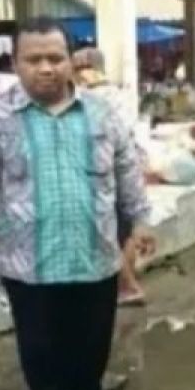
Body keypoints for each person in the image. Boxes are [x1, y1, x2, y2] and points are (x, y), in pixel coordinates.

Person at [0, 18, 156, 390]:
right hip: (28, 256)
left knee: (94, 330)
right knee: (41, 337)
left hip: (94, 248)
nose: (45, 68)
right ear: (16, 62)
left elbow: (127, 171)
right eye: (34, 59)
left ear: (71, 61)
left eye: (55, 58)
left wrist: (140, 221)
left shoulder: (102, 113)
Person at [72, 46, 148, 306]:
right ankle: (125, 282)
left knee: (107, 230)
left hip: (106, 170)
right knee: (123, 228)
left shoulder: (89, 98)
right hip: (127, 164)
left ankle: (127, 286)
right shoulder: (120, 94)